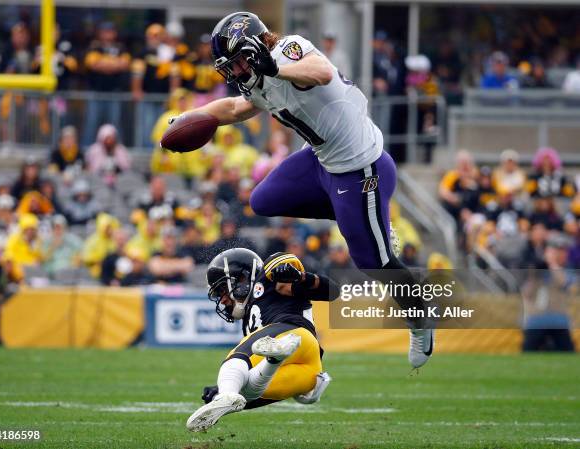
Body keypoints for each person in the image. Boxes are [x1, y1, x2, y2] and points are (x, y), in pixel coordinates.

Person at [169, 12, 433, 368]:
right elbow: (234, 107)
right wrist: (191, 116)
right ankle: (362, 218)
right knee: (263, 200)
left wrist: (275, 69)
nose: (235, 72)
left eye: (237, 62)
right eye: (228, 67)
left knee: (374, 262)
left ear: (253, 48)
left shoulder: (288, 51)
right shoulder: (257, 80)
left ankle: (419, 319)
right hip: (321, 160)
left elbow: (320, 72)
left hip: (360, 168)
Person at [186, 248, 339, 432]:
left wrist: (300, 276)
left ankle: (228, 391)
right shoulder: (248, 321)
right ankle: (267, 364)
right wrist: (221, 388)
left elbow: (333, 291)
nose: (223, 299)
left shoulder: (269, 277)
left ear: (242, 278)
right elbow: (248, 397)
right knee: (246, 393)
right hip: (309, 369)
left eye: (222, 289)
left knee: (233, 362)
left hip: (295, 334)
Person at [82, 22, 131, 145]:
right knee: (92, 123)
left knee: (115, 123)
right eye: (104, 31)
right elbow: (92, 64)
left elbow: (125, 64)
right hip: (96, 91)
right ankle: (88, 149)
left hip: (114, 91)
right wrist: (114, 64)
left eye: (110, 31)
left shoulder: (121, 48)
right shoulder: (93, 47)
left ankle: (118, 149)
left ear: (114, 33)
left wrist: (103, 63)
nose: (107, 34)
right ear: (100, 33)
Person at [131, 24, 173, 147]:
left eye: (158, 36)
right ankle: (147, 149)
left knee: (163, 124)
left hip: (164, 97)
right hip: (147, 96)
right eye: (152, 36)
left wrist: (173, 93)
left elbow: (174, 74)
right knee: (147, 125)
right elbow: (136, 74)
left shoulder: (169, 53)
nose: (155, 39)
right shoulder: (142, 54)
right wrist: (136, 90)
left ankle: (160, 150)